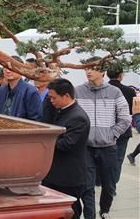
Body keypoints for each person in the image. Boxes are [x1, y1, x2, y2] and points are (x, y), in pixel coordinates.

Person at [76, 59, 131, 219]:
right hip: (85, 148)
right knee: (87, 185)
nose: (88, 72)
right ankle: (90, 215)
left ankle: (104, 209)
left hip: (108, 147)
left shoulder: (115, 92)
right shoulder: (78, 91)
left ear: (103, 72)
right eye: (86, 68)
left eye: (93, 69)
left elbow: (125, 118)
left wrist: (112, 134)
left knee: (109, 184)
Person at [42, 79, 90, 219]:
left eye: (53, 97)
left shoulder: (78, 117)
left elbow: (65, 144)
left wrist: (45, 139)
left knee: (70, 212)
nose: (51, 100)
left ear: (67, 96)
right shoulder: (61, 110)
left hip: (68, 177)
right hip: (54, 174)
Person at [106, 67, 136, 184]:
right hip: (123, 129)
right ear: (121, 75)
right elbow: (133, 112)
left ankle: (98, 180)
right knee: (118, 159)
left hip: (105, 128)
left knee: (100, 156)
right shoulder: (129, 91)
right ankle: (112, 185)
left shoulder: (102, 89)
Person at [0, 56, 42, 121]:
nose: (8, 71)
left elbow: (36, 119)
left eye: (12, 68)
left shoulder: (31, 91)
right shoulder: (1, 90)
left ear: (21, 69)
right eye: (5, 67)